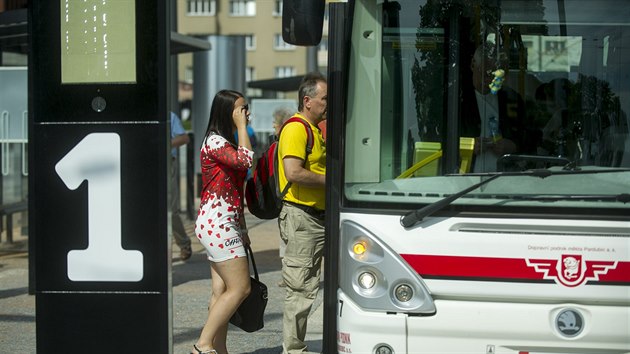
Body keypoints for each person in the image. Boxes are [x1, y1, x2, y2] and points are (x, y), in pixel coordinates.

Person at [191, 90, 254, 354]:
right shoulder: (215, 142)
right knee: (240, 288)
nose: (246, 113)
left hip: (222, 221)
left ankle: (220, 348)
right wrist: (242, 127)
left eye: (246, 108)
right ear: (227, 112)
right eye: (241, 109)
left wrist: (243, 228)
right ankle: (202, 345)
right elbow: (246, 161)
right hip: (217, 223)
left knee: (221, 291)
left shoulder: (223, 142)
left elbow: (235, 192)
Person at [277, 72, 327, 354]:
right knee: (300, 288)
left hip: (314, 217)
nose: (328, 104)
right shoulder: (296, 129)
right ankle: (293, 351)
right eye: (324, 99)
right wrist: (331, 180)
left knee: (307, 285)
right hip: (302, 218)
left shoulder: (314, 128)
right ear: (307, 101)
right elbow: (293, 172)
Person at [461, 41, 536, 172]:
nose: (489, 80)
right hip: (464, 179)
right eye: (485, 73)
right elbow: (439, 138)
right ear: (473, 64)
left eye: (495, 76)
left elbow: (530, 137)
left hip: (504, 178)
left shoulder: (511, 99)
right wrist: (467, 146)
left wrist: (513, 146)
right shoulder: (457, 99)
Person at [271, 105, 295, 287]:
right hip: (285, 195)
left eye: (275, 124)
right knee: (286, 238)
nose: (273, 127)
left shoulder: (283, 142)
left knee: (288, 239)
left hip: (287, 196)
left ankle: (289, 277)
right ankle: (288, 275)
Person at [171, 111, 193, 261]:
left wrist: (160, 142)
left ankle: (183, 243)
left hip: (166, 161)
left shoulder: (168, 115)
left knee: (170, 210)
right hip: (142, 163)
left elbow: (184, 138)